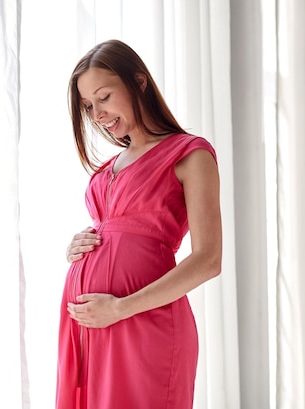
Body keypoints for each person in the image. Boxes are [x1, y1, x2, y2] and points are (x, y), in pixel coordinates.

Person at [56, 39, 223, 409]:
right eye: (88, 106)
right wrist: (81, 245)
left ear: (139, 82)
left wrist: (120, 308)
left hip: (143, 323)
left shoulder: (189, 153)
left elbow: (209, 259)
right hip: (94, 328)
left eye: (104, 97)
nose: (97, 114)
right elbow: (116, 230)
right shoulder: (106, 169)